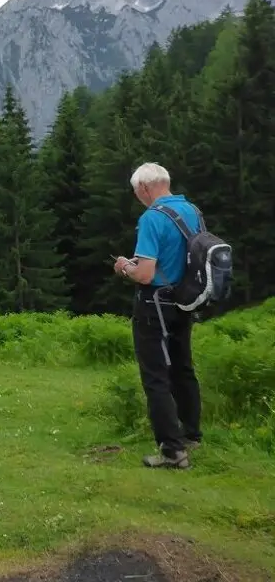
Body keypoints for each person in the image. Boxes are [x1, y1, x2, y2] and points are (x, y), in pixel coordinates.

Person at [113, 162, 203, 469]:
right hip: (185, 301)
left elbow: (145, 275)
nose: (138, 196)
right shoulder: (191, 211)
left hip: (155, 305)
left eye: (137, 191)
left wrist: (125, 266)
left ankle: (172, 451)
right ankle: (191, 434)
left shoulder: (152, 218)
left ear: (144, 188)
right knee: (183, 368)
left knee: (155, 377)